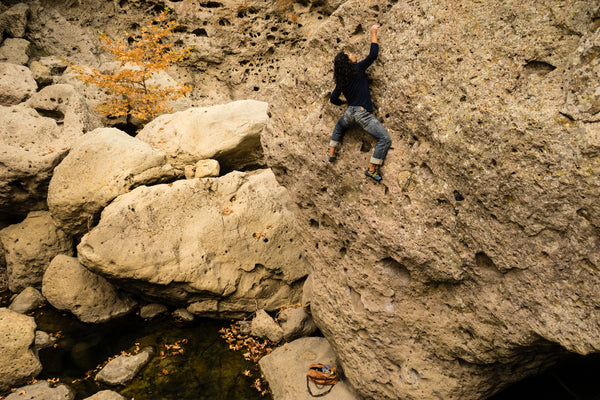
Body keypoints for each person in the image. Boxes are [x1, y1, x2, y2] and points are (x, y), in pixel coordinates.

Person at [328, 24, 391, 182]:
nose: (351, 54)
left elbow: (333, 99)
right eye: (349, 54)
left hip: (350, 113)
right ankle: (371, 169)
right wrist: (373, 32)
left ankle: (331, 152)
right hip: (362, 114)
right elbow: (373, 54)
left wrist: (344, 101)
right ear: (348, 62)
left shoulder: (341, 80)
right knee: (384, 139)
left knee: (340, 126)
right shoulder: (358, 69)